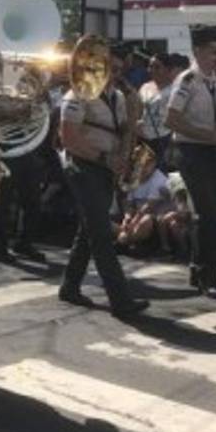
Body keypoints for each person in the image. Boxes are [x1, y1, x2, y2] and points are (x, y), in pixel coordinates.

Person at [56, 39, 150, 317]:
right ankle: (120, 301)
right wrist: (103, 159)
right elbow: (68, 138)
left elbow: (124, 132)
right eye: (111, 66)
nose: (115, 72)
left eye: (118, 68)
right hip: (84, 168)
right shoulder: (77, 95)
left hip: (105, 169)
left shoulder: (118, 97)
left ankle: (70, 286)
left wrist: (127, 140)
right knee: (100, 234)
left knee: (88, 232)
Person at [164, 23, 216, 294]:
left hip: (212, 151)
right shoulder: (187, 80)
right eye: (212, 50)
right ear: (197, 50)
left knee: (213, 213)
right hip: (192, 151)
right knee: (206, 214)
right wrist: (207, 135)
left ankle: (199, 269)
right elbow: (172, 119)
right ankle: (206, 276)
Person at [137, 51, 187, 171]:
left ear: (167, 69)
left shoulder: (175, 91)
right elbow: (138, 111)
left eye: (157, 67)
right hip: (143, 140)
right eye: (150, 66)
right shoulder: (145, 87)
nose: (152, 70)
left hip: (163, 141)